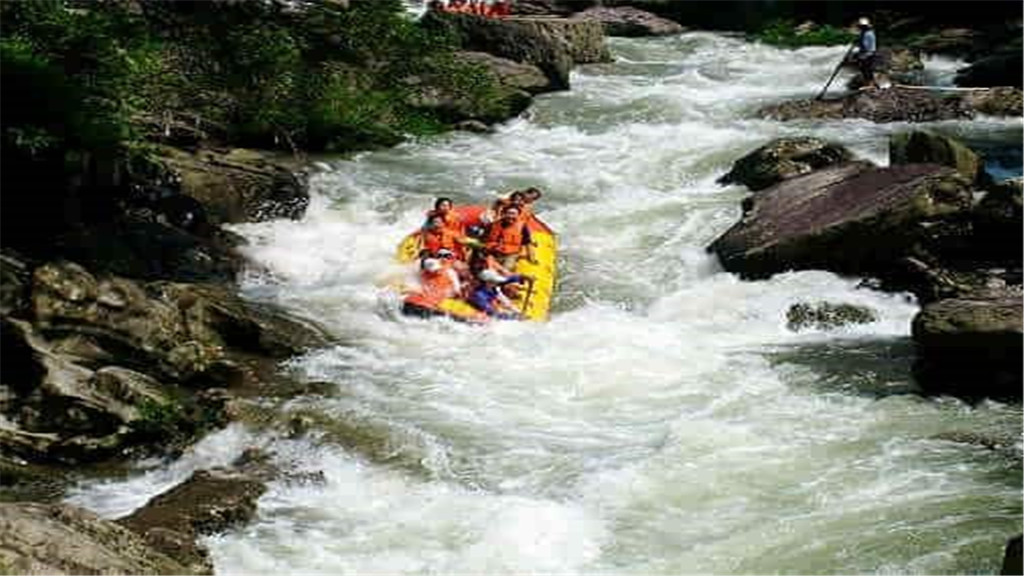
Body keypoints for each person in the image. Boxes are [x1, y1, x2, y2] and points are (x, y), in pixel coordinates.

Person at [485, 205, 535, 271]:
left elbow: (528, 243)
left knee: (506, 269)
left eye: (513, 214)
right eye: (508, 213)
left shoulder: (522, 227)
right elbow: (485, 238)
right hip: (494, 252)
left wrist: (531, 257)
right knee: (487, 268)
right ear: (504, 214)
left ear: (518, 215)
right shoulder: (494, 225)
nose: (510, 216)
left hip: (510, 254)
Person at [853, 17, 878, 89]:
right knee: (864, 69)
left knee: (867, 69)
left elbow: (866, 46)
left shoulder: (868, 34)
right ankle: (867, 82)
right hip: (866, 53)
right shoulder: (865, 33)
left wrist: (859, 49)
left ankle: (869, 83)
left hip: (868, 53)